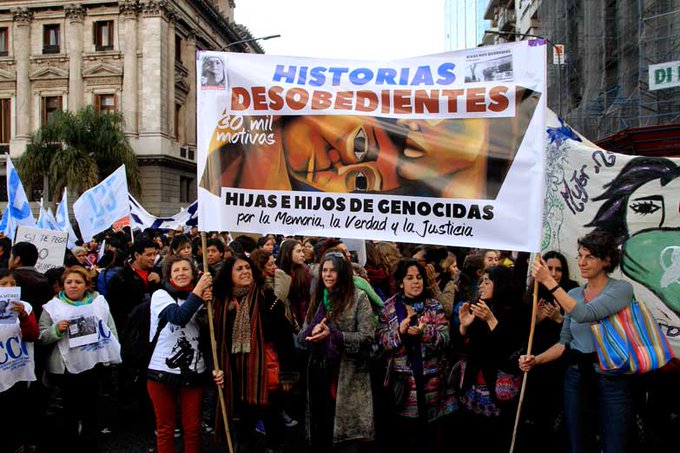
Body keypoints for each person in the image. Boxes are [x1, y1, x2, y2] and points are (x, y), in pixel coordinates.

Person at [519, 230, 635, 453]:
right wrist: (536, 360)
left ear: (607, 260)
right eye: (579, 256)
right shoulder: (573, 293)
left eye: (589, 256)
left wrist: (549, 281)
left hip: (613, 380)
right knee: (578, 445)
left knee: (614, 446)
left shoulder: (621, 289)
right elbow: (564, 343)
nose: (581, 262)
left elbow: (586, 314)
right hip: (576, 378)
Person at [213, 255, 297, 452]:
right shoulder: (222, 304)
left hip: (266, 373)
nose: (245, 272)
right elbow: (217, 340)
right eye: (239, 269)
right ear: (229, 275)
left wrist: (288, 373)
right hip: (237, 375)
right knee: (244, 429)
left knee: (273, 425)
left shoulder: (267, 298)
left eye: (247, 267)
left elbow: (285, 336)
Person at [38, 266, 121, 451]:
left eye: (78, 282)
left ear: (86, 285)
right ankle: (70, 443)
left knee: (91, 406)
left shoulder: (99, 302)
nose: (73, 286)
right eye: (69, 282)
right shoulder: (52, 307)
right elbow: (41, 337)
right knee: (69, 410)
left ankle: (89, 443)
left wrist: (112, 356)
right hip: (65, 369)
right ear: (62, 285)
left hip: (93, 364)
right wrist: (56, 330)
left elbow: (110, 329)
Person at [298, 252, 375, 452]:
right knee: (322, 430)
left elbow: (368, 337)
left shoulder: (358, 298)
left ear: (343, 273)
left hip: (348, 375)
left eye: (333, 270)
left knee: (346, 440)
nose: (328, 275)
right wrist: (311, 333)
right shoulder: (318, 298)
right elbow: (301, 337)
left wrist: (334, 335)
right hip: (319, 374)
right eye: (324, 270)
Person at [376, 258, 455, 452]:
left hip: (433, 384)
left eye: (419, 277)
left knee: (430, 438)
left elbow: (445, 339)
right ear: (401, 282)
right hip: (403, 386)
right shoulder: (389, 308)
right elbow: (381, 342)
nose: (415, 282)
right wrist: (399, 333)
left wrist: (425, 333)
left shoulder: (434, 306)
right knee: (405, 438)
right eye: (409, 278)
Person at [146, 255, 223, 453]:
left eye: (185, 269)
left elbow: (210, 335)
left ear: (193, 273)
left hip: (194, 370)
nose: (181, 274)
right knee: (166, 428)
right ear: (169, 275)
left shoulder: (203, 297)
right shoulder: (161, 295)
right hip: (161, 371)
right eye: (176, 270)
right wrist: (198, 292)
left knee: (192, 428)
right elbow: (178, 317)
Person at [456, 265, 527, 451]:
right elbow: (465, 348)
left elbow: (510, 351)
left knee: (495, 438)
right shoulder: (480, 308)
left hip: (497, 389)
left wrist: (491, 320)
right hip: (474, 384)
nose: (481, 286)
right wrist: (464, 327)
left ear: (501, 284)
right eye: (481, 281)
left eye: (487, 282)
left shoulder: (516, 312)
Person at [0, 269, 39, 453]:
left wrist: (23, 316)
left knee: (17, 412)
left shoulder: (26, 307)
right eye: (3, 284)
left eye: (13, 284)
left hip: (17, 368)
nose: (9, 288)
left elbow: (33, 335)